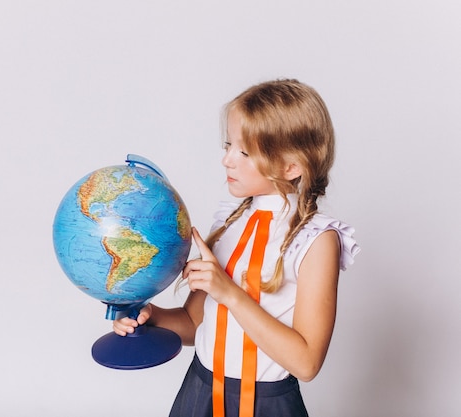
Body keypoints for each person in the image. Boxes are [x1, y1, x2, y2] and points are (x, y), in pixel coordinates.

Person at [113, 79, 360, 417]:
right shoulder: (227, 223)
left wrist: (230, 292)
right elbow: (191, 321)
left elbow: (306, 363)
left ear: (291, 166)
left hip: (268, 404)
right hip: (200, 392)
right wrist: (149, 317)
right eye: (228, 145)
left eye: (244, 151)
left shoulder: (317, 239)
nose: (226, 160)